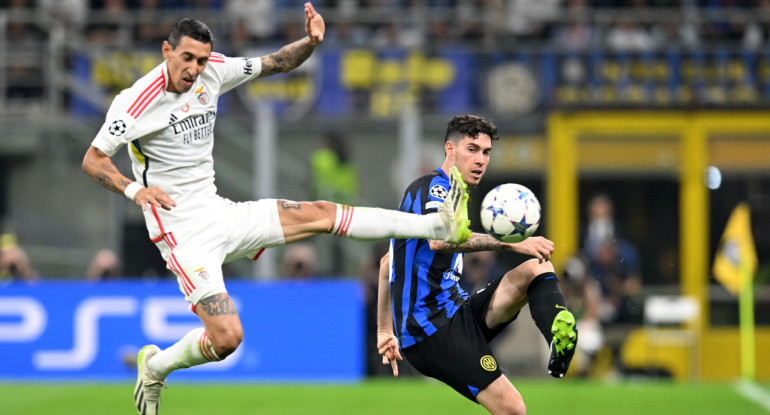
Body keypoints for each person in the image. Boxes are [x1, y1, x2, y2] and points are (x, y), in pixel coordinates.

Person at [81, 5, 471, 415]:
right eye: (186, 58)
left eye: (200, 59)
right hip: (182, 234)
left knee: (321, 213)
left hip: (221, 213)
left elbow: (277, 62)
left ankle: (435, 224)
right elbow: (94, 159)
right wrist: (133, 191)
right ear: (166, 51)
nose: (195, 69)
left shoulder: (214, 70)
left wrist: (311, 42)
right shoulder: (138, 100)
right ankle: (156, 365)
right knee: (228, 338)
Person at [376, 115, 577, 415]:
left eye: (486, 152)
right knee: (513, 408)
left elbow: (386, 264)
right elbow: (440, 241)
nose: (481, 159)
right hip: (430, 329)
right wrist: (512, 243)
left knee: (537, 268)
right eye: (472, 149)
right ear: (450, 149)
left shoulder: (458, 195)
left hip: (457, 310)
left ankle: (558, 342)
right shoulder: (432, 189)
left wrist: (384, 331)